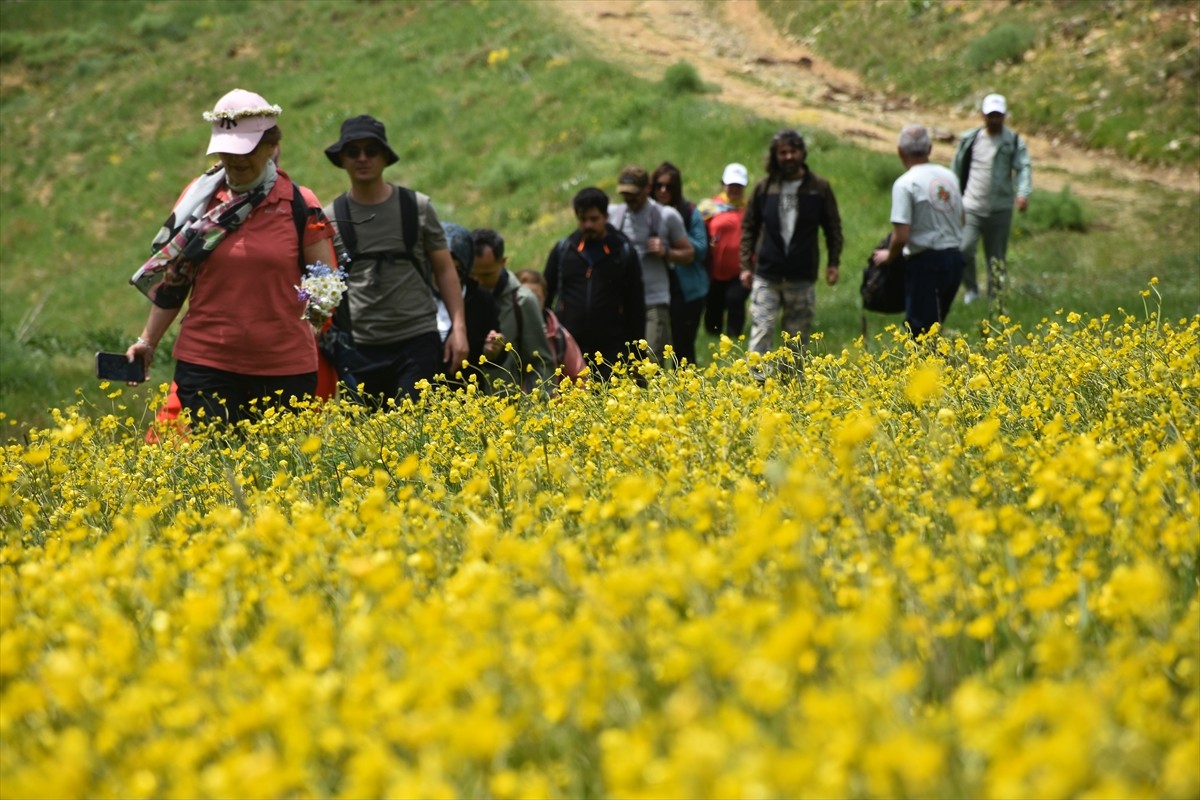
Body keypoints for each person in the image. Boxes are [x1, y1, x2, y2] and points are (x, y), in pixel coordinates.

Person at [126, 88, 336, 427]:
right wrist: (146, 341)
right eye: (227, 150)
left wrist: (304, 328)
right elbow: (175, 281)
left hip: (285, 368)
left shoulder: (299, 203)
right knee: (219, 469)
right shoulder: (200, 198)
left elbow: (325, 278)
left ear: (271, 146)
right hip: (207, 362)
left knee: (277, 472)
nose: (236, 159)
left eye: (246, 150)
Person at [323, 114, 468, 407]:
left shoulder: (417, 207)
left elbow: (444, 269)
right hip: (358, 348)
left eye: (371, 151)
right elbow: (323, 284)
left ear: (385, 157)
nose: (363, 158)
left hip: (417, 341)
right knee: (366, 448)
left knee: (420, 436)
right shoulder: (330, 217)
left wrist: (459, 329)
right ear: (342, 159)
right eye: (353, 152)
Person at [740, 129, 843, 358]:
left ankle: (791, 389)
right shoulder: (764, 188)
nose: (788, 157)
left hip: (801, 276)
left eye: (793, 151)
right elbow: (749, 227)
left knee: (796, 341)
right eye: (782, 152)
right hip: (767, 275)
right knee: (761, 333)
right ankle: (756, 388)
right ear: (775, 156)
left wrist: (833, 262)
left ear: (802, 153)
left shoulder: (819, 188)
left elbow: (832, 227)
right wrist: (745, 266)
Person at [543, 187, 645, 380]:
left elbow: (636, 305)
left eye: (594, 219)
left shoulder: (622, 251)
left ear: (606, 216)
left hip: (612, 348)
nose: (588, 225)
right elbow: (545, 296)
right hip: (571, 348)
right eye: (583, 220)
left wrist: (638, 356)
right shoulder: (564, 250)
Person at [872, 124, 965, 337]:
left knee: (919, 331)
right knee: (936, 326)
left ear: (900, 151)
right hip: (955, 260)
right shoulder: (949, 176)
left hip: (926, 264)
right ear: (930, 148)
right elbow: (963, 217)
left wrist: (889, 256)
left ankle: (926, 370)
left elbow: (902, 236)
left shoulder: (905, 184)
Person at [951, 93, 1033, 304]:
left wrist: (1023, 193)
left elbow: (1023, 167)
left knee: (996, 258)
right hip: (971, 206)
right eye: (990, 115)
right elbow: (957, 167)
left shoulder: (1013, 141)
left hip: (1000, 209)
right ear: (983, 115)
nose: (994, 119)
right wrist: (953, 195)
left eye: (998, 115)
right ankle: (971, 289)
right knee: (964, 250)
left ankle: (995, 298)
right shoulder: (970, 139)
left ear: (1004, 116)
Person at [608, 165, 693, 360]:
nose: (629, 200)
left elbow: (689, 254)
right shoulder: (614, 215)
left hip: (654, 301)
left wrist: (666, 251)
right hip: (622, 302)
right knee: (624, 362)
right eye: (625, 195)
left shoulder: (666, 216)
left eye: (634, 195)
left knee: (651, 361)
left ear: (647, 188)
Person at [470, 228, 553, 393]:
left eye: (486, 275)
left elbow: (541, 364)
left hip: (509, 410)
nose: (478, 282)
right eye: (473, 275)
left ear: (503, 262)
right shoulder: (460, 297)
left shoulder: (522, 301)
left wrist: (534, 410)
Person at [651, 161, 709, 365]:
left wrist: (675, 238)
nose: (663, 190)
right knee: (652, 347)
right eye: (658, 185)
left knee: (683, 349)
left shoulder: (689, 211)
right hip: (655, 288)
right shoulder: (646, 212)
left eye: (669, 186)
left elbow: (701, 249)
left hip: (687, 289)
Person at [438, 222, 503, 385]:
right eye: (441, 269)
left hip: (466, 399)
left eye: (458, 270)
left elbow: (492, 359)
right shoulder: (416, 297)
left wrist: (493, 350)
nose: (450, 277)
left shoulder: (481, 299)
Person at [698, 162, 751, 339]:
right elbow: (697, 230)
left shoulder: (751, 208)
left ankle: (735, 339)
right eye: (731, 185)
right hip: (714, 270)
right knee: (714, 306)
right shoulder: (709, 207)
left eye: (739, 186)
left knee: (735, 300)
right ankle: (713, 339)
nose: (735, 189)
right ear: (723, 184)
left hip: (740, 269)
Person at [515, 269, 586, 386]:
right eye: (526, 299)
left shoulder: (559, 336)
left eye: (536, 298)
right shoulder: (505, 331)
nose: (531, 304)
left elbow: (580, 378)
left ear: (545, 298)